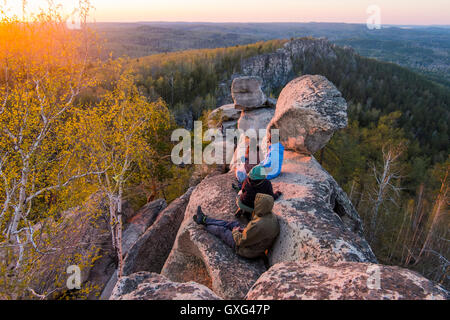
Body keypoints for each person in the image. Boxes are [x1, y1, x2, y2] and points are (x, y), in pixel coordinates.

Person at [193, 193, 280, 259]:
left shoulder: (258, 225)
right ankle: (205, 219)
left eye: (256, 203)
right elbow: (255, 233)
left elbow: (240, 241)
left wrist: (235, 232)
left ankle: (204, 224)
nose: (254, 204)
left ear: (260, 205)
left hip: (247, 250)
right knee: (232, 224)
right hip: (255, 244)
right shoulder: (269, 215)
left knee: (222, 230)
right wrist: (244, 230)